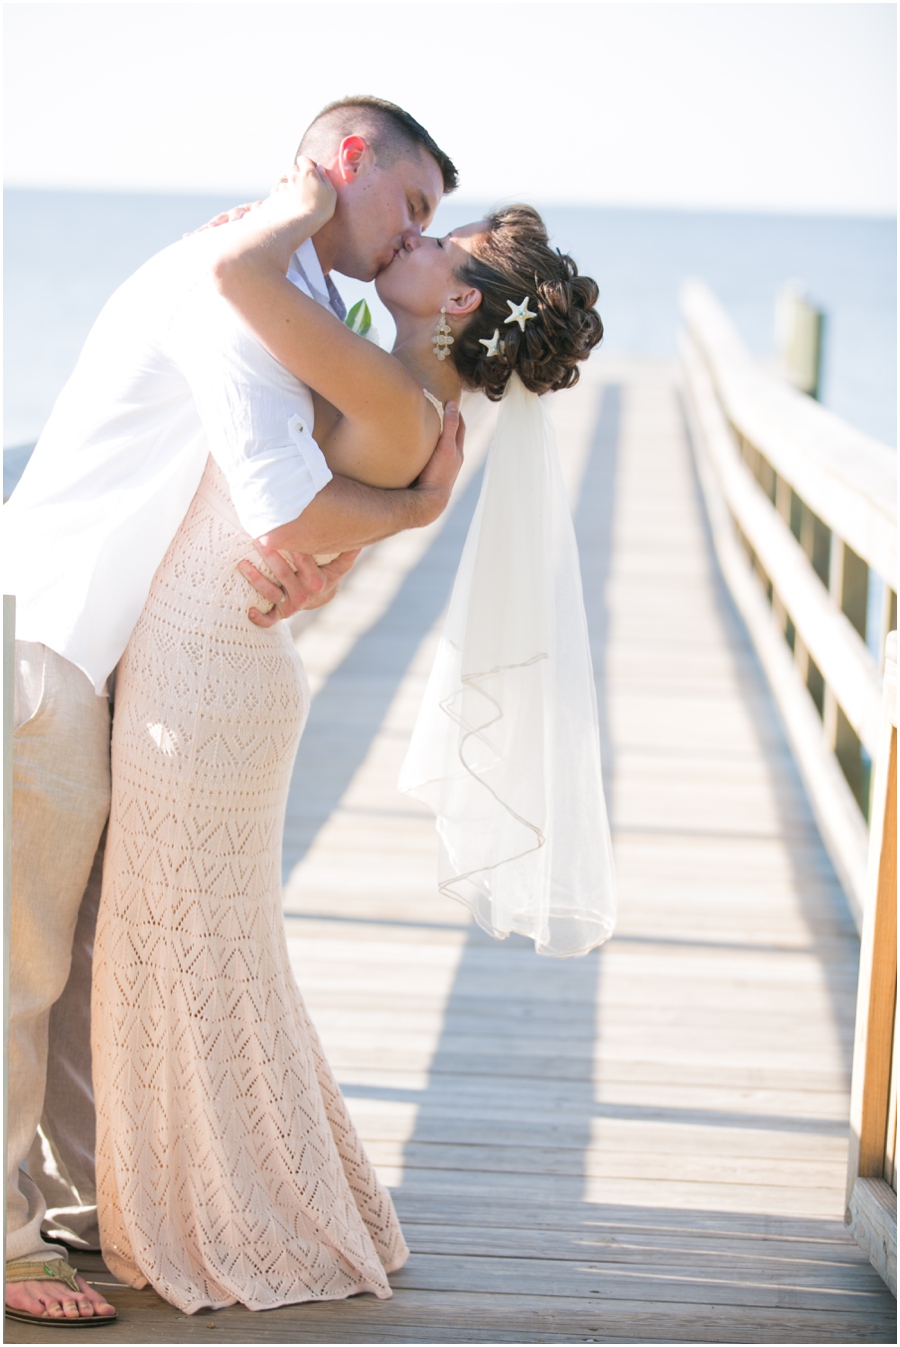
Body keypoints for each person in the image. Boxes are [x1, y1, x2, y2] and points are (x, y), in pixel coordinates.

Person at [87, 162, 604, 1314]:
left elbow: (232, 275)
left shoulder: (388, 390)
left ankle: (221, 1213)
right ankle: (249, 1193)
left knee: (171, 949)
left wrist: (296, 207)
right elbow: (319, 533)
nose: (411, 241)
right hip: (225, 664)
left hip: (209, 672)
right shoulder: (418, 406)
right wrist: (403, 516)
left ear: (463, 303)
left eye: (437, 239)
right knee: (205, 953)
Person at [4, 95, 464, 1327]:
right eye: (412, 204)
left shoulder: (304, 299)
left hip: (114, 656)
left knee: (96, 950)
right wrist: (407, 518)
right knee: (25, 957)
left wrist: (325, 553)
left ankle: (104, 1207)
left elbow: (292, 500)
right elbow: (281, 507)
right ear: (346, 162)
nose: (415, 233)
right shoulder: (233, 279)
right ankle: (4, 1240)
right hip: (46, 635)